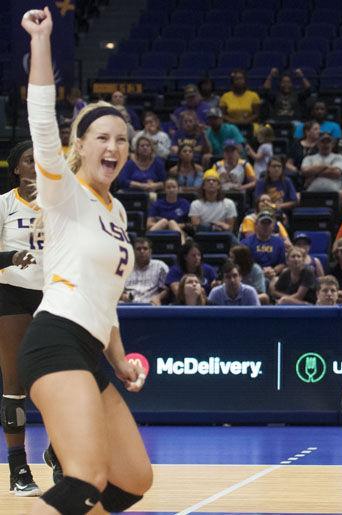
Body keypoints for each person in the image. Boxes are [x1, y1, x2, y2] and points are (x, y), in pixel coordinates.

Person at [20, 8, 152, 514]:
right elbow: (40, 121)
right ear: (81, 145)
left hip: (91, 349)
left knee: (133, 479)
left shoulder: (115, 209)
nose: (114, 146)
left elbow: (107, 299)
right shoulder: (65, 192)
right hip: (54, 341)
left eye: (121, 139)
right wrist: (41, 41)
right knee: (86, 478)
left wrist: (118, 360)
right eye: (103, 137)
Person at [0, 141, 43, 496]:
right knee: (15, 384)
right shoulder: (4, 204)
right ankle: (19, 470)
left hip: (54, 296)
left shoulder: (60, 206)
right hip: (11, 295)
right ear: (16, 168)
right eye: (30, 161)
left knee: (58, 382)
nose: (36, 165)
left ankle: (59, 453)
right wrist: (11, 256)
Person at [240, 211, 286, 280]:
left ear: (273, 226)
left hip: (273, 276)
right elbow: (243, 264)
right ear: (256, 225)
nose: (266, 226)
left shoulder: (279, 242)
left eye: (268, 223)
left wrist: (273, 271)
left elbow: (282, 263)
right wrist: (260, 272)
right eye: (263, 223)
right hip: (252, 277)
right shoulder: (246, 243)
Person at [122, 237, 169, 305]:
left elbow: (167, 290)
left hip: (150, 305)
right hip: (128, 305)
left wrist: (158, 297)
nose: (142, 251)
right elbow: (117, 288)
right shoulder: (124, 267)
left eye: (145, 248)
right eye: (138, 249)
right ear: (133, 251)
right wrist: (122, 296)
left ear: (150, 251)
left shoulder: (160, 266)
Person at [189, 169, 238, 234]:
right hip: (203, 237)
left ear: (219, 186)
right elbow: (196, 228)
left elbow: (229, 228)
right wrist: (217, 225)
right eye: (208, 180)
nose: (211, 182)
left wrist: (210, 225)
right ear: (203, 186)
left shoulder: (229, 203)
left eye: (214, 180)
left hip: (223, 236)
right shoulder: (195, 204)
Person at [146, 177, 191, 242]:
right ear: (164, 190)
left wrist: (172, 224)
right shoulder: (157, 204)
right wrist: (166, 223)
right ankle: (148, 244)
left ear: (178, 189)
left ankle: (182, 246)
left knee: (172, 222)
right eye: (168, 187)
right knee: (164, 221)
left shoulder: (184, 203)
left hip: (179, 231)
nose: (171, 190)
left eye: (174, 187)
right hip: (159, 231)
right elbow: (149, 224)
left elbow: (190, 224)